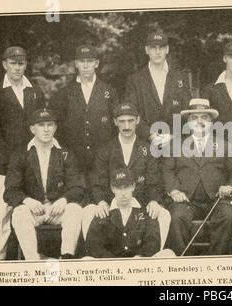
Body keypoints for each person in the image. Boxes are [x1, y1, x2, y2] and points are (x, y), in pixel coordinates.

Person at [82, 103, 171, 249]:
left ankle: (151, 256)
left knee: (163, 213)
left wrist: (154, 201)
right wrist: (101, 201)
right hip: (113, 206)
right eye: (122, 121)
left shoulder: (148, 150)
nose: (127, 126)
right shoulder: (106, 150)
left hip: (140, 207)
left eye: (130, 120)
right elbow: (98, 182)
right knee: (88, 211)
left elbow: (154, 182)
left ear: (138, 120)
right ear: (115, 122)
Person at [0, 46, 45, 261]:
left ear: (26, 65)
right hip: (4, 165)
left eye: (21, 63)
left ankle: (32, 256)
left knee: (27, 210)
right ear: (4, 64)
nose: (17, 68)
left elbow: (40, 126)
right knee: (1, 213)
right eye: (13, 63)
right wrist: (8, 161)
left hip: (31, 163)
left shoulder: (34, 91)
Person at [162, 98, 232, 255]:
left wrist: (229, 186)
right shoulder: (174, 145)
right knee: (176, 217)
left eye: (204, 117)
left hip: (216, 200)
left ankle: (216, 262)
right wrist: (174, 191)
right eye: (194, 117)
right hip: (186, 201)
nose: (199, 121)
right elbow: (167, 171)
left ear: (211, 121)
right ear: (188, 122)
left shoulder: (225, 145)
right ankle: (183, 266)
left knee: (229, 215)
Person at [4, 109, 84, 260]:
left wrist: (64, 199)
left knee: (75, 209)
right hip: (33, 210)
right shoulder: (21, 154)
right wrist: (27, 200)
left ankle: (66, 257)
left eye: (50, 124)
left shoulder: (65, 153)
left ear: (55, 127)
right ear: (32, 128)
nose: (46, 129)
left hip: (56, 209)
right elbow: (10, 190)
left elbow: (78, 187)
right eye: (41, 125)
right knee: (19, 213)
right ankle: (34, 260)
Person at [51, 44, 119, 201]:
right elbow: (56, 126)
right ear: (76, 64)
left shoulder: (108, 91)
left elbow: (117, 124)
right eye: (82, 61)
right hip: (75, 162)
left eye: (90, 61)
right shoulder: (65, 93)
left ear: (97, 63)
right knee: (77, 203)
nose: (86, 65)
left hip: (103, 162)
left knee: (102, 203)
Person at [124, 32, 191, 146]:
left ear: (167, 49)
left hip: (175, 145)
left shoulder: (180, 78)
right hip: (145, 145)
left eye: (161, 47)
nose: (158, 52)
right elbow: (132, 113)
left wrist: (173, 136)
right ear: (146, 50)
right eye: (153, 48)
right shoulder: (135, 80)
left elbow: (187, 112)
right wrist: (150, 135)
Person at [85, 168, 162, 258]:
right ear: (112, 188)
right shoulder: (104, 212)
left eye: (127, 187)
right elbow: (93, 245)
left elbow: (153, 241)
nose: (123, 193)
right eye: (118, 188)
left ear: (133, 187)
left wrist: (140, 256)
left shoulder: (145, 212)